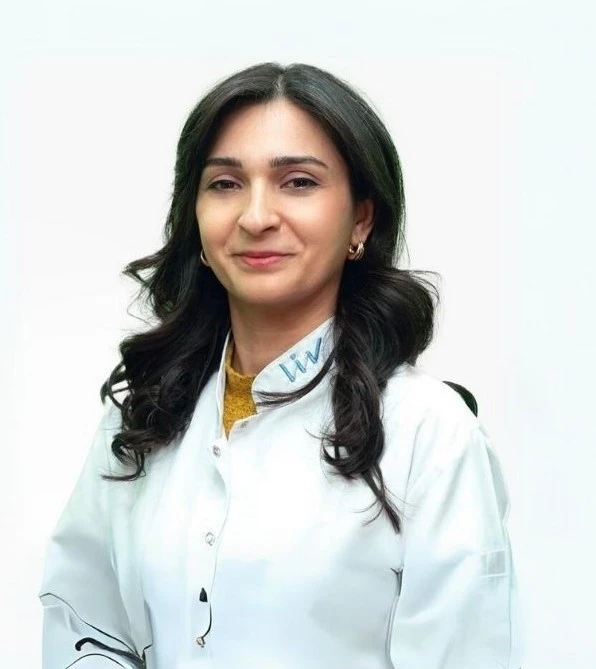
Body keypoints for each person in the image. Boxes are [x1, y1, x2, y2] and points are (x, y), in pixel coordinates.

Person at [38, 61, 522, 668]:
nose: (256, 216)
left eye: (298, 182)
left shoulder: (429, 431)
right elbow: (85, 626)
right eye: (225, 184)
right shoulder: (143, 416)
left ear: (361, 219)